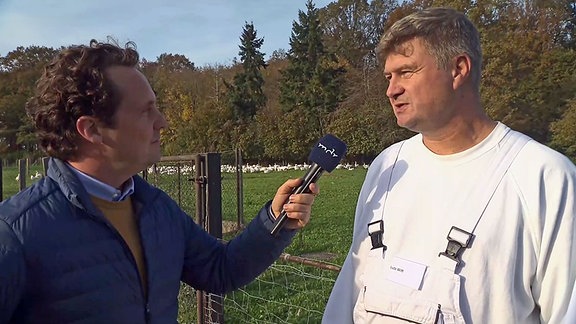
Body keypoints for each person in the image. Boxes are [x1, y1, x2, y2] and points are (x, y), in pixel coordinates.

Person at [0, 39, 319, 323]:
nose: (162, 122)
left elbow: (221, 270)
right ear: (92, 130)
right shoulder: (15, 233)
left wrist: (276, 221)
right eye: (146, 111)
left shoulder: (155, 208)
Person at [323, 7, 576, 324]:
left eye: (407, 72)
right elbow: (352, 283)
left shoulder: (544, 176)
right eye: (389, 76)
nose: (391, 89)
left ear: (458, 69)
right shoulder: (387, 166)